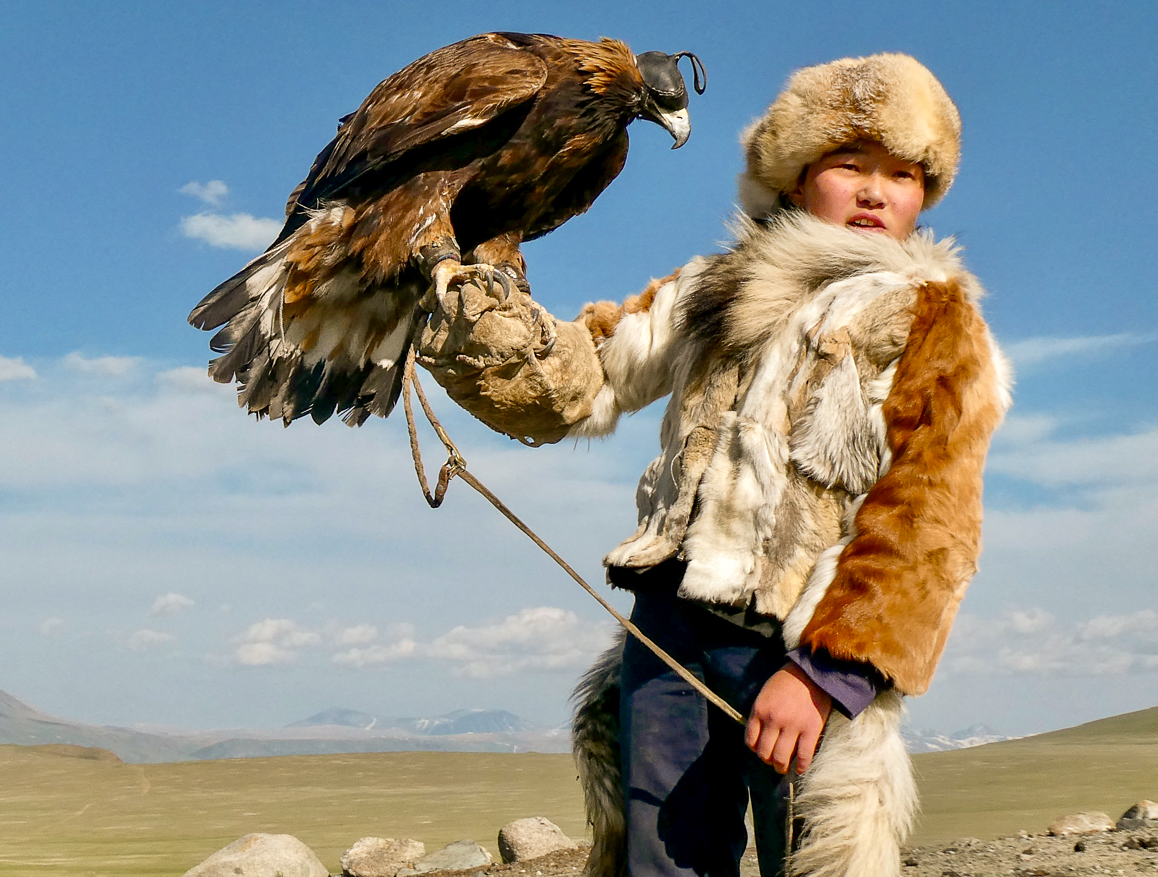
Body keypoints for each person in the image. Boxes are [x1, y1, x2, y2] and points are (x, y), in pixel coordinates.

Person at [418, 54, 1011, 877]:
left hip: (802, 645)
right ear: (797, 177)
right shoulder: (711, 288)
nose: (877, 191)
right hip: (668, 632)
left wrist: (824, 677)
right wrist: (468, 307)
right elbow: (583, 378)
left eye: (904, 173)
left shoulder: (931, 320)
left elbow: (930, 518)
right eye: (850, 163)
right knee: (663, 866)